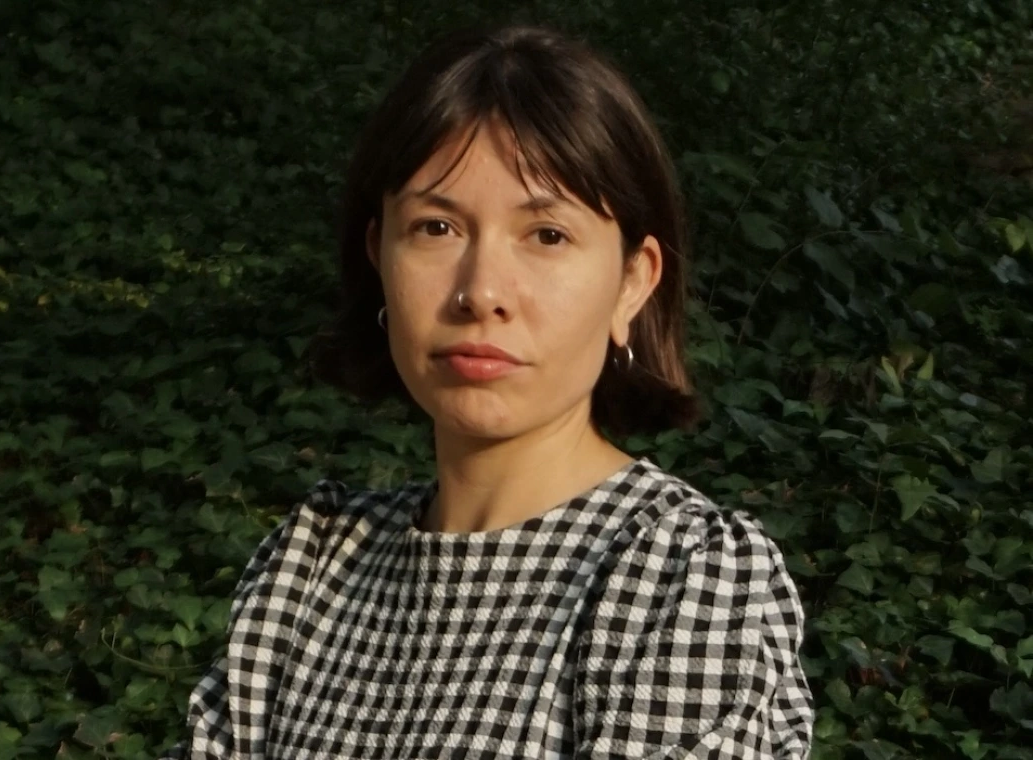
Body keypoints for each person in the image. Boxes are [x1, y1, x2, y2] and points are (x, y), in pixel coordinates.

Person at [160, 23, 814, 760]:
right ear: (378, 256)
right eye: (436, 227)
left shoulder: (679, 574)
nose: (481, 292)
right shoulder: (311, 565)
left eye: (547, 236)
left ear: (633, 280)